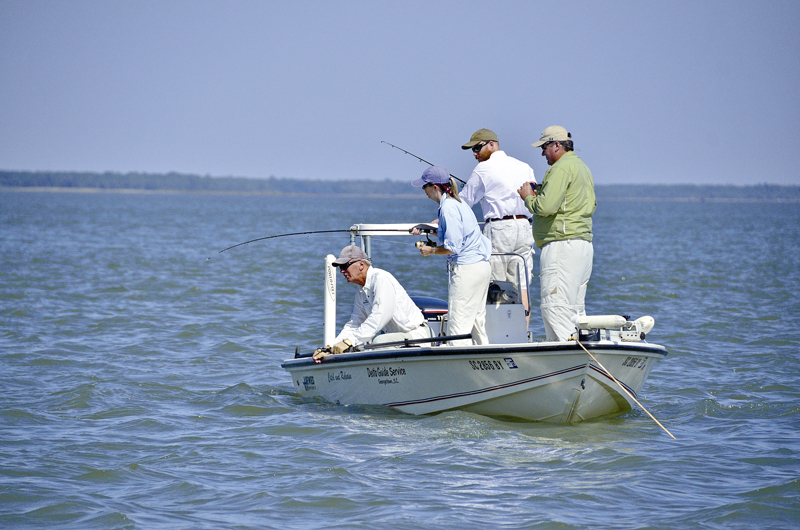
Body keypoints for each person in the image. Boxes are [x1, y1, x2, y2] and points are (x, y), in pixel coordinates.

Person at [517, 126, 596, 342]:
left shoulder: (561, 168)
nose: (543, 153)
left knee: (555, 306)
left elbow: (545, 207)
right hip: (582, 246)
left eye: (544, 147)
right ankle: (579, 350)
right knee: (575, 308)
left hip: (562, 246)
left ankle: (570, 353)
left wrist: (528, 197)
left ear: (557, 145)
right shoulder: (582, 168)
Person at [460, 128, 537, 325]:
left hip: (499, 230)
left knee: (496, 285)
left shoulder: (482, 169)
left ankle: (500, 334)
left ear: (491, 144)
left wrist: (440, 219)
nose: (475, 154)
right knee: (522, 286)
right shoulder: (525, 167)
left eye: (477, 148)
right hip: (525, 227)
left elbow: (463, 202)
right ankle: (523, 334)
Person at [411, 166, 492, 346]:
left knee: (457, 326)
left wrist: (431, 250)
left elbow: (452, 247)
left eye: (424, 186)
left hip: (467, 270)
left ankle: (457, 359)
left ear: (434, 187)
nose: (423, 190)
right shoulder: (458, 203)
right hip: (481, 267)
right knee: (477, 323)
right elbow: (453, 235)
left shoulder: (448, 208)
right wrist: (426, 230)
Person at [313, 245, 430, 363]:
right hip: (398, 341)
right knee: (367, 344)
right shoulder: (361, 291)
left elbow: (379, 316)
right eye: (340, 267)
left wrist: (349, 342)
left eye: (344, 266)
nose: (342, 271)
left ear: (361, 265)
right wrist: (329, 347)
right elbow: (354, 324)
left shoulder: (381, 279)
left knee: (379, 342)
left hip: (416, 337)